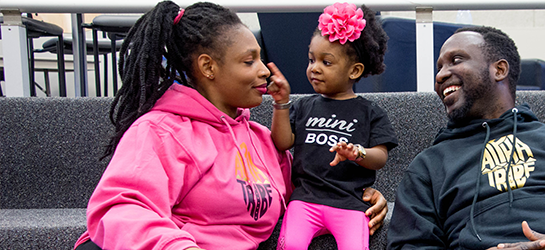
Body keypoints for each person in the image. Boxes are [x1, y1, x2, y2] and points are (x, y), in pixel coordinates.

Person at [72, 1, 387, 250]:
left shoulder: (260, 139)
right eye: (249, 61)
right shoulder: (161, 131)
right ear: (208, 66)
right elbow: (119, 209)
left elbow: (310, 182)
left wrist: (358, 193)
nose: (265, 71)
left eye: (261, 59)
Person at [387, 26, 545, 250]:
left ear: (499, 70)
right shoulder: (428, 166)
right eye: (440, 66)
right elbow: (410, 243)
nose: (441, 75)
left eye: (456, 60)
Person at [267, 2, 398, 250]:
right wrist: (281, 103)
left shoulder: (370, 112)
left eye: (326, 62)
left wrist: (357, 153)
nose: (314, 68)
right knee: (290, 245)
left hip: (350, 202)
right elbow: (282, 142)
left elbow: (380, 157)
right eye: (311, 59)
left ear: (354, 70)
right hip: (305, 200)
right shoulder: (304, 106)